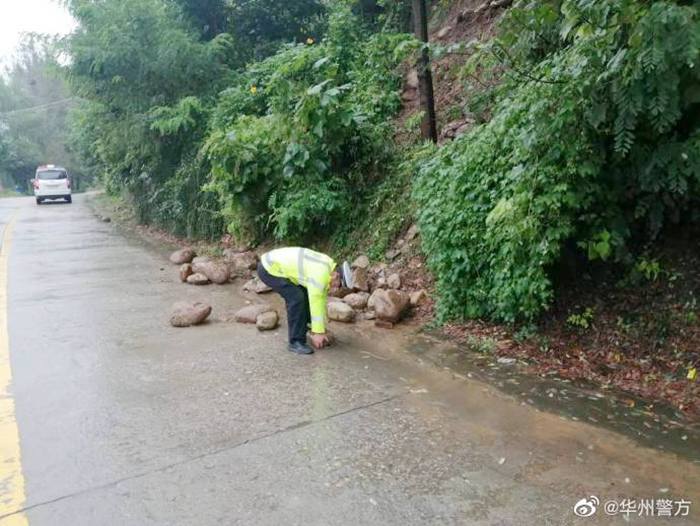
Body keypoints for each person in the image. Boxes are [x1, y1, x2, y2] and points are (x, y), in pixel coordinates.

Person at [257, 247, 353, 355]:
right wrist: (318, 332)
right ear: (336, 275)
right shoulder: (320, 274)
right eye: (338, 285)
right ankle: (295, 341)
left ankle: (304, 326)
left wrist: (321, 327)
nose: (336, 288)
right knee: (296, 298)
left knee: (304, 292)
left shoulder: (327, 266)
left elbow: (320, 299)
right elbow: (316, 301)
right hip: (269, 269)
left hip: (276, 266)